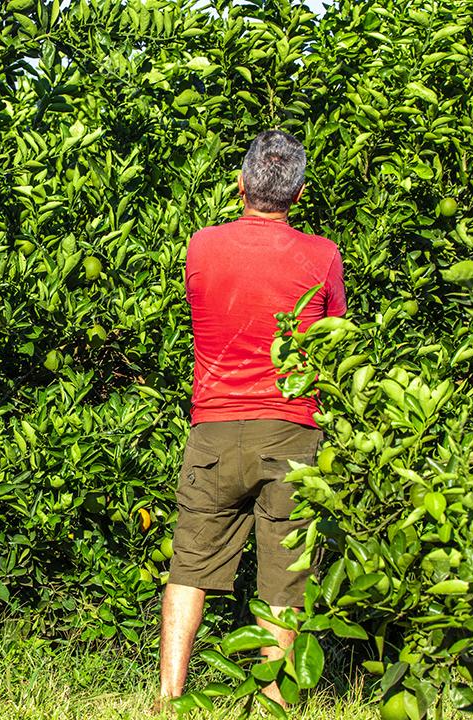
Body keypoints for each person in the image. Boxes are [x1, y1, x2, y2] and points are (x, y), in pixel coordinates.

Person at [158, 130, 347, 708]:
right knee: (284, 582)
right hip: (292, 428)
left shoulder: (202, 246)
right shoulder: (323, 255)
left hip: (214, 427)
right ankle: (275, 700)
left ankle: (168, 697)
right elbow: (332, 339)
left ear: (241, 184)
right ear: (299, 192)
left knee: (189, 565)